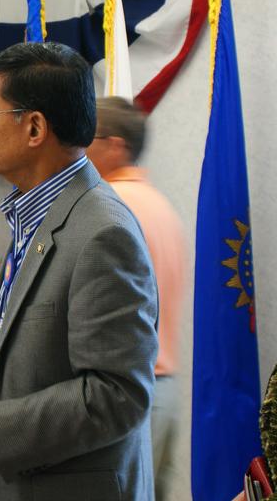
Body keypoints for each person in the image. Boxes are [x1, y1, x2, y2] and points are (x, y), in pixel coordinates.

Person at [0, 42, 158, 500]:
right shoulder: (37, 217)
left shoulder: (103, 233)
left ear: (35, 127)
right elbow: (28, 368)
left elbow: (117, 395)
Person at [87, 95, 186, 501]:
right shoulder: (163, 207)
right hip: (164, 392)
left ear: (115, 145)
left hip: (127, 398)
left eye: (88, 137)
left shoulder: (109, 207)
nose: (80, 147)